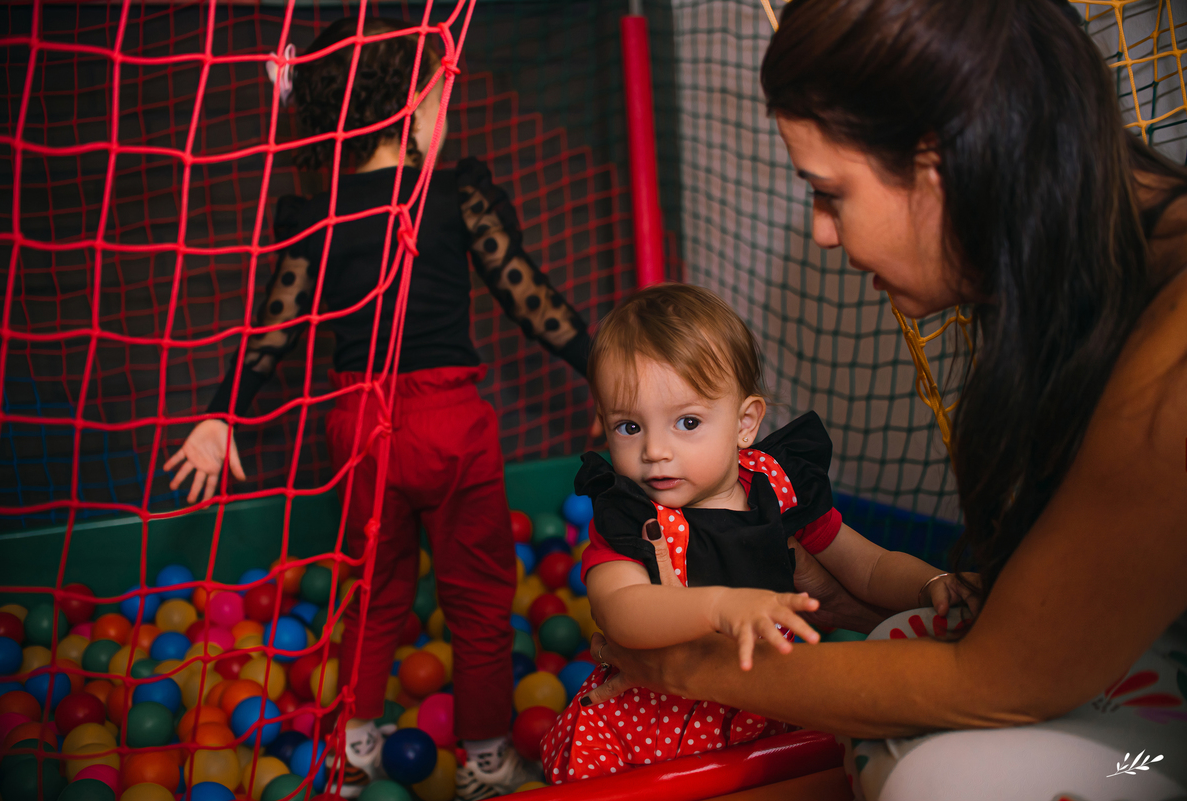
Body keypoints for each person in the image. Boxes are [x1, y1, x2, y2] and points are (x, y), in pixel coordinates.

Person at [577, 1, 1187, 798]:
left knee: (938, 778)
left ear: (945, 162)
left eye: (830, 193)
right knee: (907, 648)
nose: (823, 233)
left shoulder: (1169, 364)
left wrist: (688, 660)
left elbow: (1002, 681)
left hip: (1141, 739)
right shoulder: (1086, 272)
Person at [163, 17, 589, 799]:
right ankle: (489, 759)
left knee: (377, 588)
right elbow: (531, 298)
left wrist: (221, 412)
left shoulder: (319, 213)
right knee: (480, 595)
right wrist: (599, 367)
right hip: (449, 423)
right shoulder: (455, 195)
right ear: (419, 107)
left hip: (359, 426)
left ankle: (354, 747)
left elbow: (276, 326)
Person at [541, 283, 978, 783]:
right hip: (649, 728)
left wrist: (930, 585)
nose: (655, 450)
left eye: (686, 421)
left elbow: (870, 565)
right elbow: (620, 610)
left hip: (768, 709)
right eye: (629, 427)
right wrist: (718, 607)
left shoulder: (777, 485)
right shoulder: (630, 513)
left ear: (745, 423)